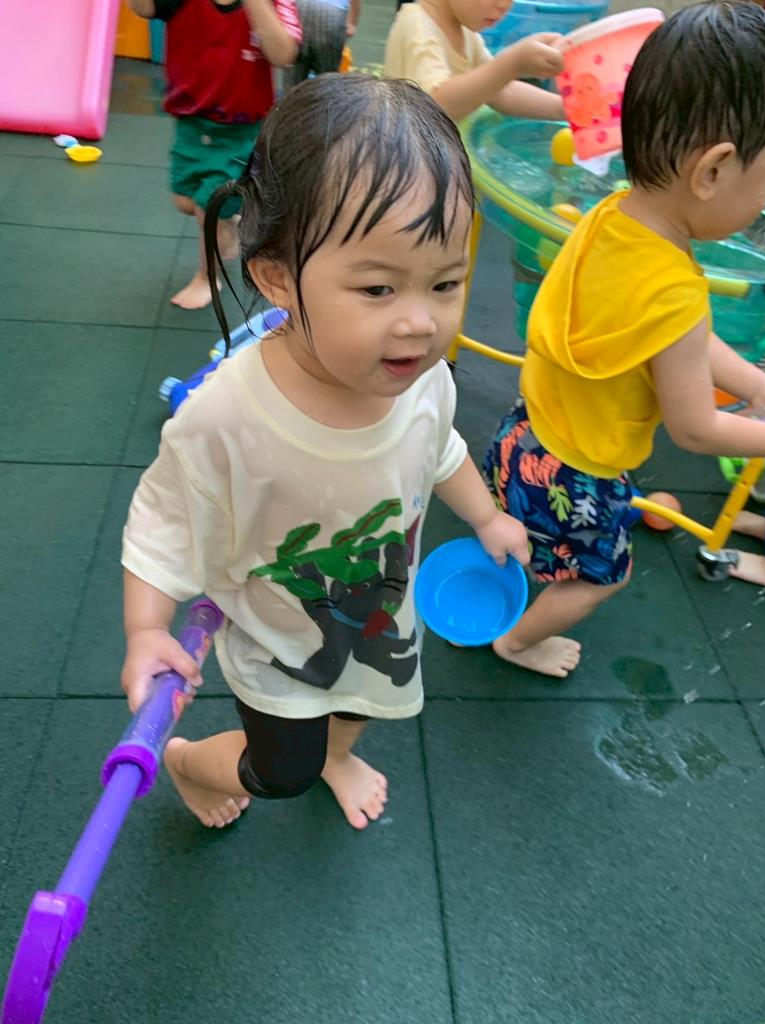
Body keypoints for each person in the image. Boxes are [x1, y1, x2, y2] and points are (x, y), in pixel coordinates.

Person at [120, 75, 530, 831]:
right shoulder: (228, 417)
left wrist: (486, 517)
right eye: (377, 289)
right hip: (280, 639)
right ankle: (190, 764)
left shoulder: (422, 380)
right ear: (277, 276)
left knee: (359, 705)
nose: (420, 323)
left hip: (376, 617)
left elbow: (437, 450)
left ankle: (341, 754)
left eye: (445, 283)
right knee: (281, 769)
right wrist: (147, 630)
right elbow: (159, 526)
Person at [483, 0, 765, 679]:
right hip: (577, 475)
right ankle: (516, 641)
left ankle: (528, 538)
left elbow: (679, 341)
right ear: (712, 171)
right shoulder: (674, 287)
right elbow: (695, 428)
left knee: (546, 530)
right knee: (601, 579)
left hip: (523, 437)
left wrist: (756, 385)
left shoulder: (610, 215)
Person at [127, 0, 302, 310]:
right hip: (191, 123)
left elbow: (283, 54)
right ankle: (230, 221)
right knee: (185, 201)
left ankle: (208, 278)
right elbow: (142, 8)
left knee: (209, 209)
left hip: (242, 131)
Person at [383, 0, 564, 123]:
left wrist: (566, 108)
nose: (503, 5)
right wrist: (511, 64)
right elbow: (436, 106)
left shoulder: (466, 33)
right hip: (407, 164)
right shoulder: (417, 27)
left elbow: (499, 89)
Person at [283, 0, 360, 88]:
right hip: (332, 11)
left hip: (298, 7)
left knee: (293, 83)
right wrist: (352, 23)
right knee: (327, 82)